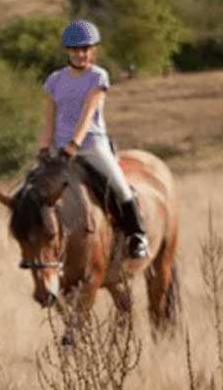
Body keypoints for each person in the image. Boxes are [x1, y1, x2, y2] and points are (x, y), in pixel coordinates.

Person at [42, 19, 148, 259]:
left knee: (120, 187)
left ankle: (137, 234)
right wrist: (43, 148)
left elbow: (88, 113)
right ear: (67, 51)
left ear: (93, 50)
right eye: (75, 49)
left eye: (86, 49)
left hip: (91, 146)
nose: (81, 54)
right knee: (35, 190)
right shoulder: (54, 80)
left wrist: (74, 145)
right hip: (61, 150)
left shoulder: (98, 76)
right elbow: (49, 119)